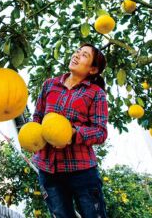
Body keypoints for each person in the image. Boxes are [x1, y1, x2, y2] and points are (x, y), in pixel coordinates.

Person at [32, 43, 109, 218]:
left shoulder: (96, 93)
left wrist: (73, 134)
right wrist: (35, 138)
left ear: (93, 70)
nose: (76, 55)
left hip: (81, 170)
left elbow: (100, 132)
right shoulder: (49, 85)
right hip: (48, 169)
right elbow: (37, 118)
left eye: (84, 55)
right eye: (77, 52)